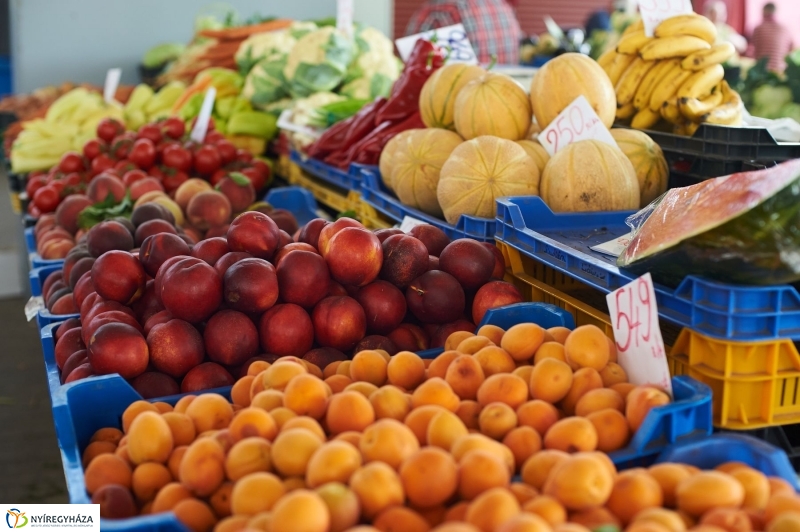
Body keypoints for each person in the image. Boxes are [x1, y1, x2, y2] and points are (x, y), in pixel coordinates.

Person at [405, 0, 523, 64]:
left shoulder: (439, 10)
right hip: (506, 97)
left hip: (461, 101)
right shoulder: (502, 5)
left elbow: (409, 62)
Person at [751, 2, 794, 73]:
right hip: (780, 70)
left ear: (763, 12)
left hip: (762, 71)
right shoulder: (785, 29)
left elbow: (752, 49)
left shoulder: (758, 29)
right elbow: (793, 49)